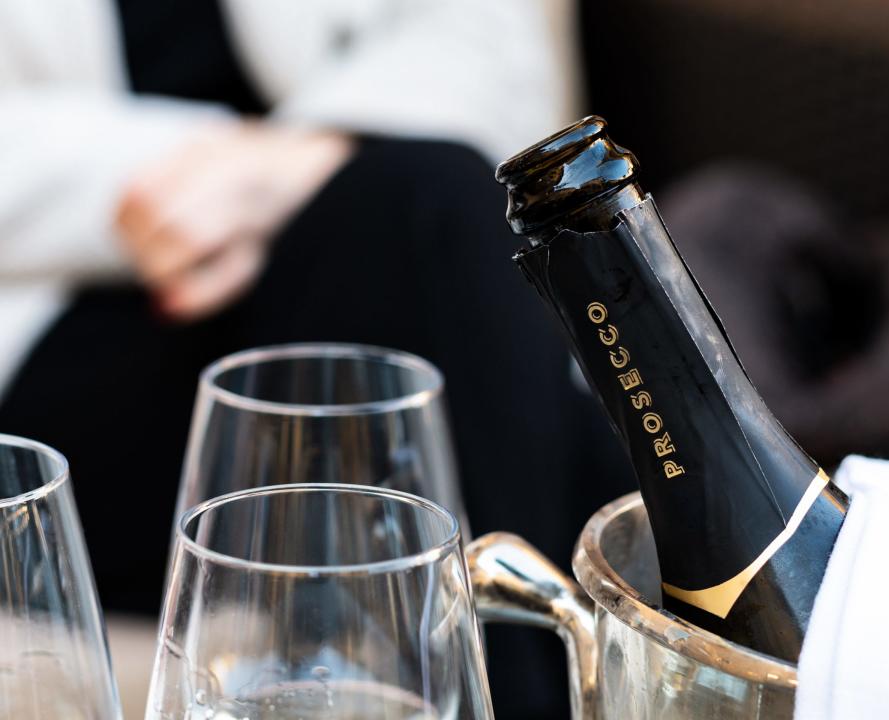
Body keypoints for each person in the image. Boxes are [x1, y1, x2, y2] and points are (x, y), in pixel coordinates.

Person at [0, 2, 635, 718]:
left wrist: (320, 153)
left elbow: (486, 39)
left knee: (421, 211)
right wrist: (234, 166)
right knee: (432, 233)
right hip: (67, 320)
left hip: (366, 251)